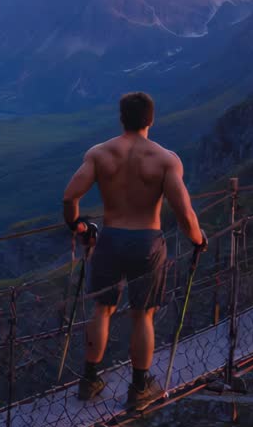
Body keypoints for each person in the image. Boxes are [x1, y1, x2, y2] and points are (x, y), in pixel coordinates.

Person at [62, 92, 206, 410]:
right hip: (146, 242)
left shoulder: (99, 153)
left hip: (110, 239)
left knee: (102, 309)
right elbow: (184, 213)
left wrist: (78, 226)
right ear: (150, 119)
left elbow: (70, 197)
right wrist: (198, 240)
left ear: (122, 118)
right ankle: (139, 387)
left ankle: (89, 380)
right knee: (143, 314)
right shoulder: (166, 159)